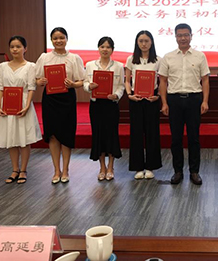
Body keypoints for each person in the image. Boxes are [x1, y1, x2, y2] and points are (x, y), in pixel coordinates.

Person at [159, 23, 210, 185]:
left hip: (194, 99)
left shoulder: (199, 56)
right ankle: (178, 171)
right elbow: (163, 81)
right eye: (180, 35)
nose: (183, 38)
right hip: (174, 100)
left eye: (186, 35)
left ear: (191, 36)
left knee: (194, 138)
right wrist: (164, 103)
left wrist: (205, 101)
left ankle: (194, 171)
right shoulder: (168, 57)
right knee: (176, 138)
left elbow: (205, 80)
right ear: (175, 37)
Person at [35, 27, 86, 184]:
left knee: (66, 134)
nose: (59, 41)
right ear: (51, 40)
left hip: (67, 99)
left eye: (62, 37)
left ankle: (66, 170)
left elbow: (82, 81)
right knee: (53, 134)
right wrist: (40, 81)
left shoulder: (74, 58)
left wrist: (73, 84)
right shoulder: (44, 57)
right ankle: (56, 170)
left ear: (66, 39)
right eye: (55, 38)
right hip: (50, 100)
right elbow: (36, 79)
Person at [0, 35, 42, 184]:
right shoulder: (2, 66)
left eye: (18, 47)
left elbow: (31, 88)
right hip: (7, 106)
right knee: (11, 138)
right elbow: (0, 87)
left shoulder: (30, 66)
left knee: (24, 139)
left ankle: (23, 170)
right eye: (12, 47)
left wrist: (27, 106)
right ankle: (14, 169)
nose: (15, 49)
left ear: (25, 49)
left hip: (23, 105)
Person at [84, 37, 125, 181]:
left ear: (112, 49)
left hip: (111, 105)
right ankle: (102, 167)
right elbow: (85, 83)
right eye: (102, 46)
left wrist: (117, 95)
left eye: (108, 47)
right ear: (98, 48)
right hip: (96, 105)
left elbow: (121, 86)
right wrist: (89, 87)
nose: (105, 49)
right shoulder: (90, 65)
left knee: (111, 135)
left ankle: (111, 166)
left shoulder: (118, 66)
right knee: (98, 135)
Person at [125, 30, 162, 180]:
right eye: (141, 41)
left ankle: (151, 166)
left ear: (151, 42)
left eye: (146, 41)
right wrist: (129, 95)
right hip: (136, 99)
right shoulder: (131, 59)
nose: (144, 44)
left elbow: (163, 81)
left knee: (152, 133)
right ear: (137, 43)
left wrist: (158, 96)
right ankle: (138, 167)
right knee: (136, 133)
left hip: (152, 99)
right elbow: (127, 81)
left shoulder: (158, 60)